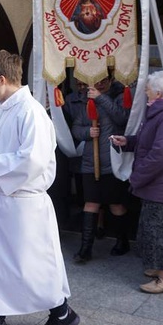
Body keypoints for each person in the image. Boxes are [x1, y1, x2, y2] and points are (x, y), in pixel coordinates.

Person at [0, 50, 78, 325]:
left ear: (2, 80)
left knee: (32, 263)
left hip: (26, 203)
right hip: (4, 199)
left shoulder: (31, 111)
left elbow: (34, 160)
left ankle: (62, 313)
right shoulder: (5, 109)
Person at [110, 71, 163, 294]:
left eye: (148, 88)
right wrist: (127, 142)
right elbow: (149, 143)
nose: (145, 91)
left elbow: (161, 155)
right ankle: (157, 267)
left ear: (159, 92)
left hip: (161, 184)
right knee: (152, 229)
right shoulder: (161, 112)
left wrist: (137, 176)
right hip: (156, 183)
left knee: (158, 232)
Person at [64, 75, 131, 263]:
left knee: (115, 203)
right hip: (90, 163)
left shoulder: (118, 97)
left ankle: (121, 240)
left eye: (103, 81)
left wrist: (101, 98)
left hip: (112, 161)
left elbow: (122, 117)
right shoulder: (87, 102)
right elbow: (76, 128)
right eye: (96, 82)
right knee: (90, 203)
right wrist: (88, 132)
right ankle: (86, 248)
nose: (99, 85)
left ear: (110, 81)